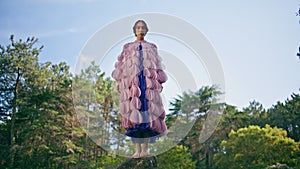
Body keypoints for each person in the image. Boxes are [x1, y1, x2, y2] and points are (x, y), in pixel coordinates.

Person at [111, 20, 168, 158]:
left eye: (143, 28)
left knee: (147, 117)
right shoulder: (127, 47)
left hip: (147, 86)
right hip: (134, 85)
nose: (140, 30)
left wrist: (157, 81)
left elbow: (157, 65)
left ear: (146, 30)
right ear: (134, 30)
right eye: (138, 27)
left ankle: (145, 150)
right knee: (134, 118)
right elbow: (121, 66)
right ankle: (137, 150)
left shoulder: (152, 47)